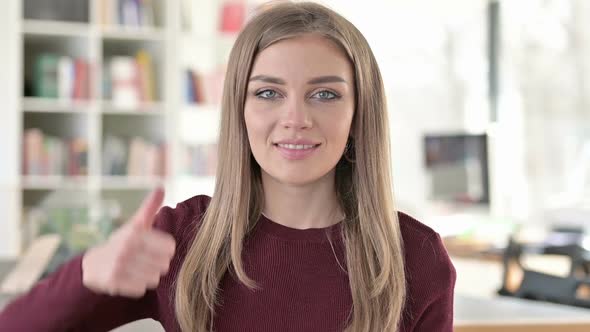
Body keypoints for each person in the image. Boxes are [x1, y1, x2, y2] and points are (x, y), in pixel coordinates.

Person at [0, 1, 456, 331]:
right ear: (239, 110)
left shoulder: (416, 257)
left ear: (360, 115)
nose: (295, 119)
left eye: (325, 94)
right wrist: (89, 271)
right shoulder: (180, 238)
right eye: (268, 92)